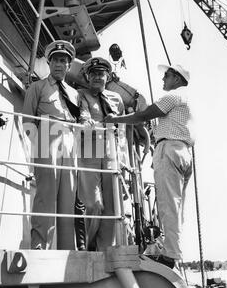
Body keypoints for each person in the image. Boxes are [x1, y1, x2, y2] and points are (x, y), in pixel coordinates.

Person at [105, 64, 194, 268]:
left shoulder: (173, 96)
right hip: (184, 152)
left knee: (168, 204)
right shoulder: (188, 100)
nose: (163, 78)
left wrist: (114, 119)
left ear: (178, 79)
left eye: (168, 75)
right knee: (177, 206)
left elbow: (143, 115)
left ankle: (170, 255)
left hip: (169, 149)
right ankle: (173, 250)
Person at [22, 40, 80, 250]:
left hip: (70, 141)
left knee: (68, 197)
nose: (59, 64)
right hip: (47, 138)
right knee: (45, 196)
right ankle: (39, 246)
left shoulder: (74, 94)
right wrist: (39, 146)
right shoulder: (37, 87)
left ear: (69, 65)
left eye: (63, 60)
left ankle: (67, 250)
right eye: (55, 60)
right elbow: (27, 121)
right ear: (48, 63)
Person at [78, 57, 125, 251]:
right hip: (90, 148)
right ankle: (88, 247)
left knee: (113, 205)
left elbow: (122, 128)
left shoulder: (117, 99)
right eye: (93, 74)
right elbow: (84, 122)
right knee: (93, 203)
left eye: (101, 73)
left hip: (112, 151)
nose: (97, 77)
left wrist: (123, 156)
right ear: (88, 77)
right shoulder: (80, 95)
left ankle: (105, 249)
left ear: (107, 76)